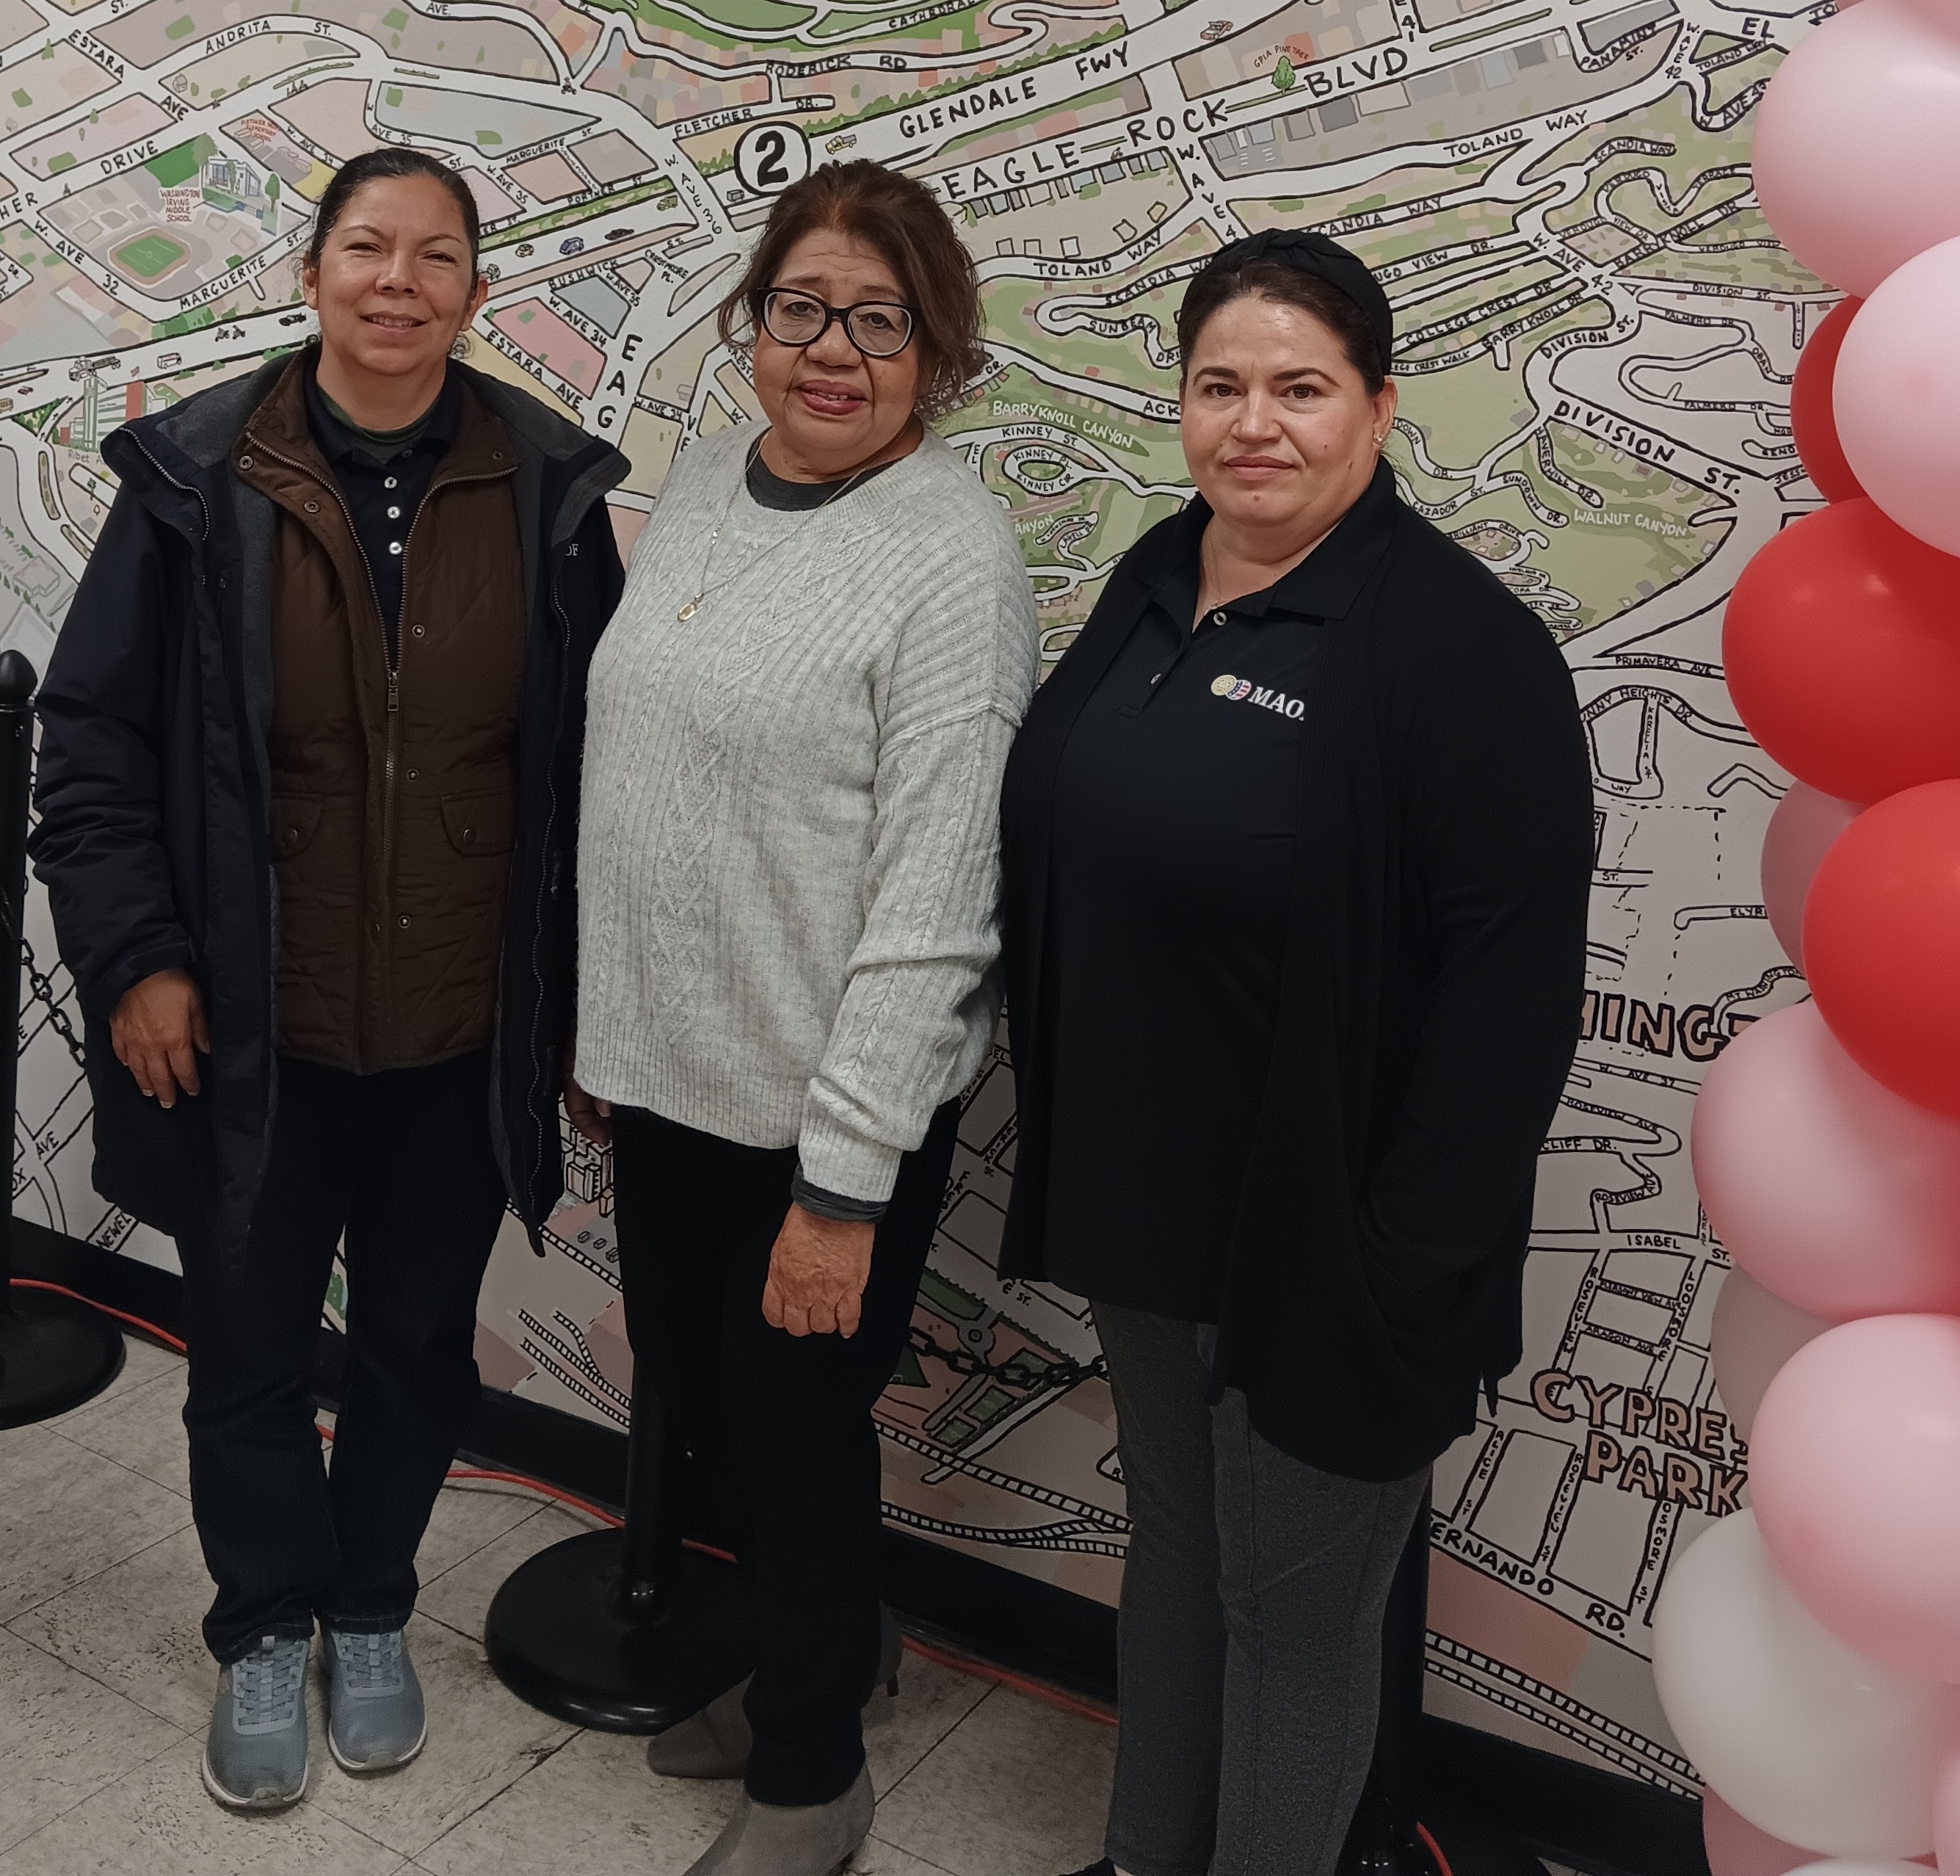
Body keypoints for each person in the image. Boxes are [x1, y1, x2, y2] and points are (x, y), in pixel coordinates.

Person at [30, 148, 628, 1811]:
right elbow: (89, 748)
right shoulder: (194, 480)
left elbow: (591, 781)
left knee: (421, 1346)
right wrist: (137, 960)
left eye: (439, 256)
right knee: (245, 1354)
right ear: (311, 276)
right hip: (247, 1037)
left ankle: (371, 1609)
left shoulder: (545, 491)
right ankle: (260, 1622)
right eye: (367, 246)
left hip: (457, 1036)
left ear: (478, 296)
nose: (399, 280)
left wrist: (577, 1009)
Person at [998, 230, 1594, 1876]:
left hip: (1338, 1249)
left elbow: (1509, 1001)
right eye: (1220, 385)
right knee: (1182, 1559)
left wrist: (1404, 1263)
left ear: (1381, 408)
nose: (1255, 423)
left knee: (1300, 1624)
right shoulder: (1154, 575)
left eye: (1301, 388)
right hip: (1148, 1213)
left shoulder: (1463, 654)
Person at [569, 158, 1037, 1875]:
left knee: (791, 1430)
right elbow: (651, 780)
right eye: (800, 308)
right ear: (751, 318)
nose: (830, 351)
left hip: (821, 1113)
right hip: (668, 1075)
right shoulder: (703, 482)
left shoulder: (954, 564)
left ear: (938, 351)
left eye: (879, 322)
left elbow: (936, 912)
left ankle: (810, 1775)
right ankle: (818, 1648)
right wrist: (604, 1043)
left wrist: (842, 1187)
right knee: (696, 1398)